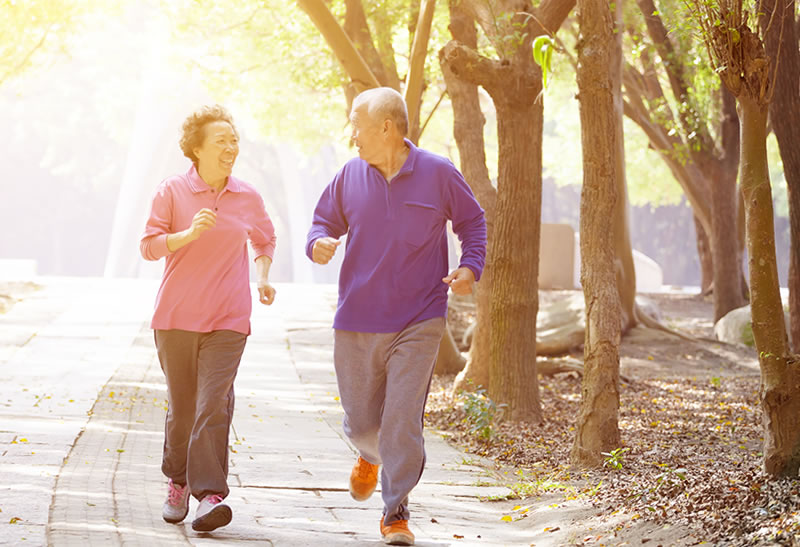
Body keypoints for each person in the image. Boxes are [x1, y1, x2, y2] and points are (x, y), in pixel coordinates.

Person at [306, 87, 486, 546]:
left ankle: (396, 511)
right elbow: (321, 222)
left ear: (385, 126)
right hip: (357, 319)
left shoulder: (438, 173)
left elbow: (472, 222)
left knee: (403, 418)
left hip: (419, 317)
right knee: (364, 423)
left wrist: (470, 267)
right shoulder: (350, 175)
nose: (351, 135)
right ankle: (370, 455)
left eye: (356, 123)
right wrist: (318, 243)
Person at [140, 104, 277, 532]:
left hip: (229, 318)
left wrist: (263, 276)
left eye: (234, 140)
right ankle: (177, 481)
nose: (231, 147)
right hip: (176, 317)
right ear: (196, 149)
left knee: (213, 405)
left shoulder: (247, 196)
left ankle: (210, 496)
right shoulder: (172, 192)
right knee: (183, 409)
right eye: (221, 140)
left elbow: (265, 237)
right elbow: (149, 246)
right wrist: (187, 234)